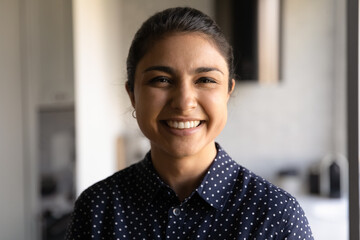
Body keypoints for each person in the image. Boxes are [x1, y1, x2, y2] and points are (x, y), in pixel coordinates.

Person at [65, 7, 313, 239]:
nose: (184, 103)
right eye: (161, 80)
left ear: (228, 92)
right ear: (132, 94)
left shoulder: (276, 217)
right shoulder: (97, 210)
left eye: (205, 80)